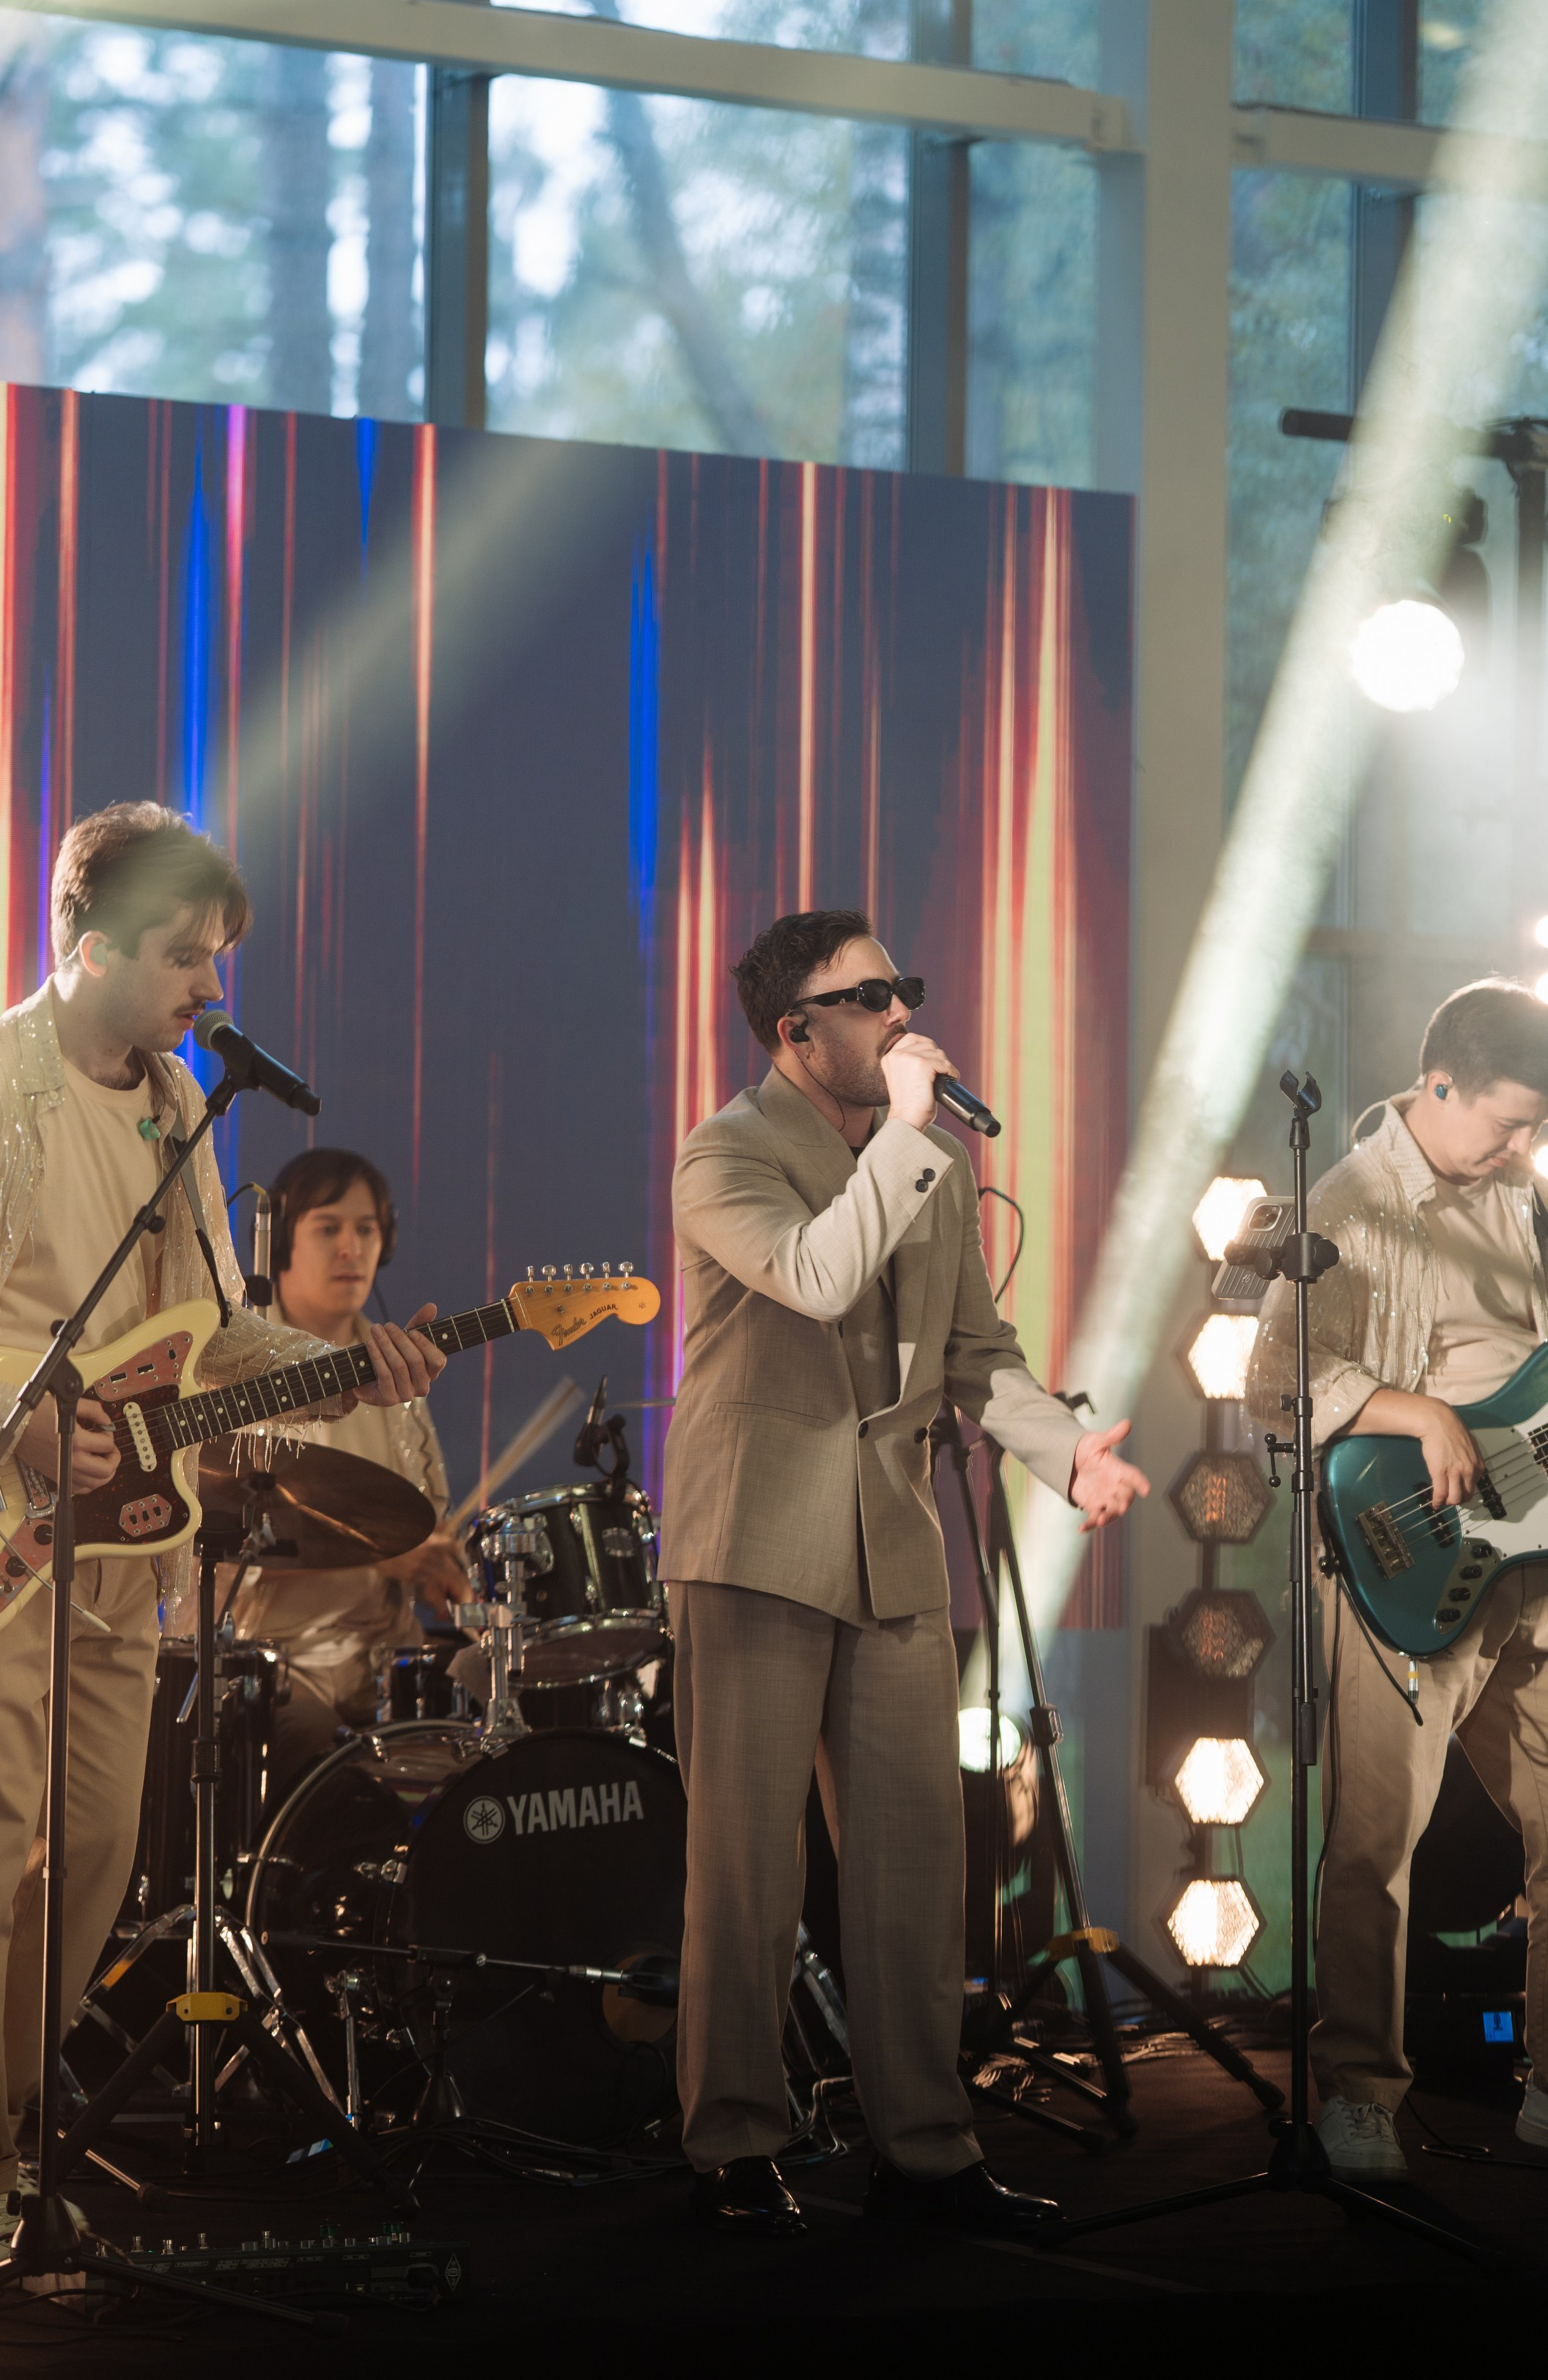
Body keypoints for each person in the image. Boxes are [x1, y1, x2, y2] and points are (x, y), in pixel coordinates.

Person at [0, 802, 446, 2279]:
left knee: (91, 1853)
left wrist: (352, 1359)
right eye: (184, 960)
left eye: (215, 960)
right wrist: (11, 1419)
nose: (209, 990)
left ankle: (11, 2147)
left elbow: (208, 1338)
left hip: (126, 1547)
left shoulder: (175, 1106)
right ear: (85, 947)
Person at [660, 909, 1146, 2239]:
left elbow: (975, 1356)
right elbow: (818, 1277)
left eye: (900, 988)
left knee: (914, 1868)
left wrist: (1064, 1453)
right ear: (793, 1032)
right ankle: (737, 2146)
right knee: (749, 1874)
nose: (897, 1012)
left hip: (889, 1543)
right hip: (755, 1539)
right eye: (865, 996)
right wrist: (907, 1142)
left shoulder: (920, 1167)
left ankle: (926, 2149)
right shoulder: (728, 1152)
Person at [1248, 975, 1548, 2181]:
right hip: (1404, 1559)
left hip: (1532, 1549)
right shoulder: (1353, 1202)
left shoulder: (1529, 1198)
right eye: (1508, 1121)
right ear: (1438, 1085)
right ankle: (1361, 2090)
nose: (1523, 1144)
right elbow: (1277, 1378)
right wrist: (1409, 1406)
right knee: (1375, 1842)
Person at [231, 1146, 471, 1789]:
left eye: (366, 1229)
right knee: (319, 1764)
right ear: (281, 1240)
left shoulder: (397, 1371)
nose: (351, 1248)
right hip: (278, 1666)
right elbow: (215, 1543)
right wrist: (374, 1553)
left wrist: (438, 1567)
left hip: (388, 1664)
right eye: (328, 1228)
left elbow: (431, 1523)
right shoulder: (232, 1372)